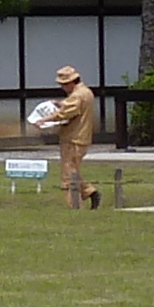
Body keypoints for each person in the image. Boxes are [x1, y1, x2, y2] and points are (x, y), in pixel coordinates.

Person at [44, 63, 99, 207]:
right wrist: (61, 104)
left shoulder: (78, 95)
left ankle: (74, 205)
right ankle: (89, 192)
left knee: (68, 175)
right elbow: (71, 107)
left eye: (64, 84)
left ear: (71, 82)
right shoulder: (86, 92)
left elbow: (65, 113)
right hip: (81, 137)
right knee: (73, 170)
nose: (63, 88)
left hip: (74, 138)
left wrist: (43, 120)